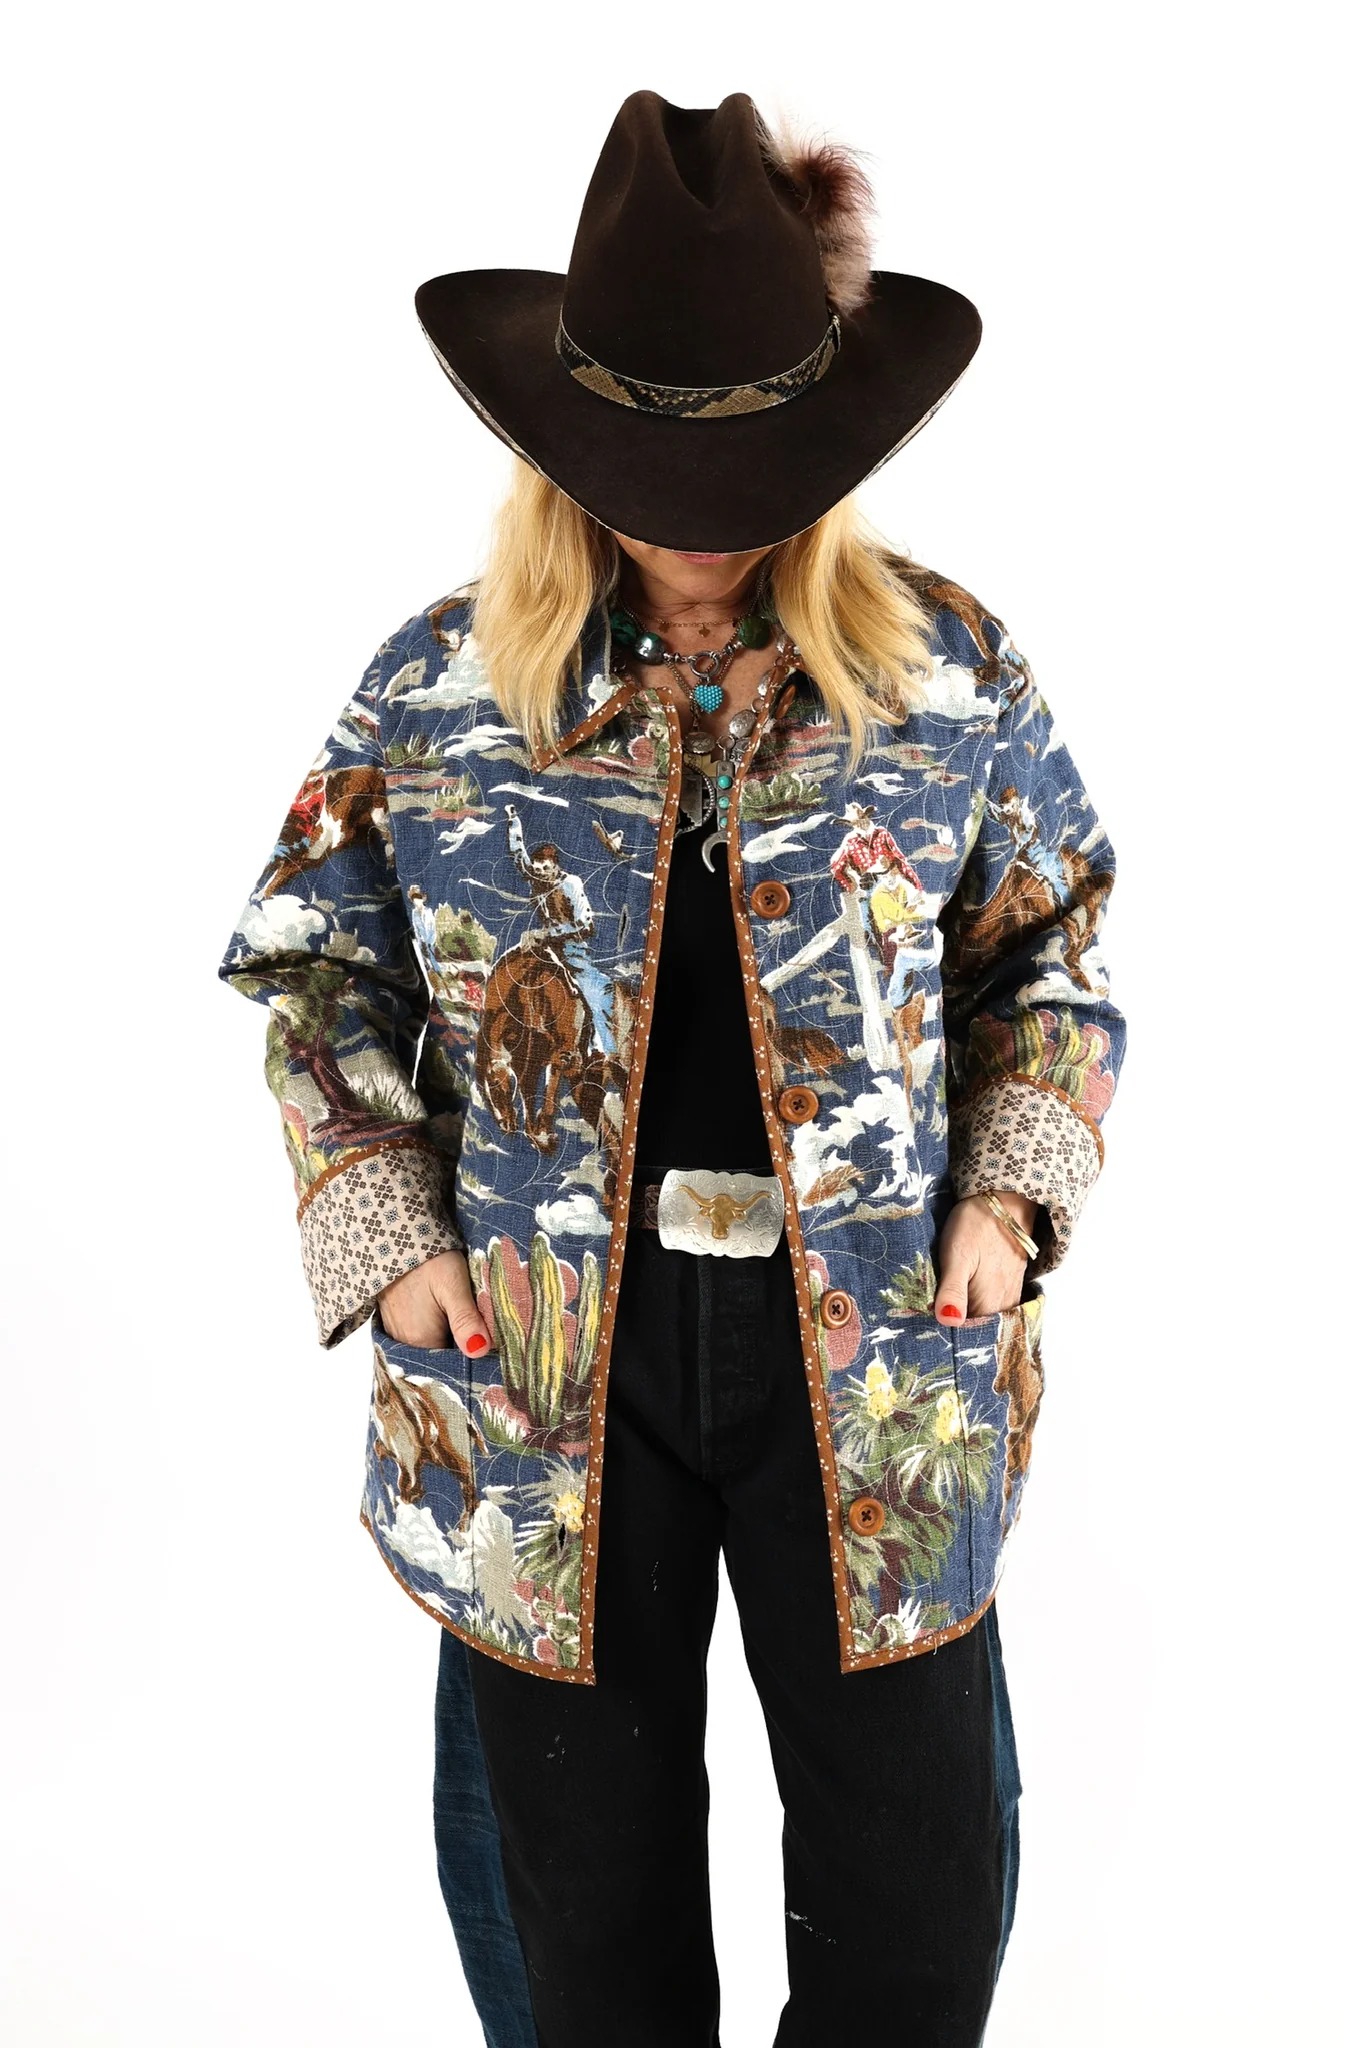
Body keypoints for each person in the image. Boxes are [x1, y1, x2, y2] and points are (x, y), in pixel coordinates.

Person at [218, 89, 1126, 2048]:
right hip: (543, 1359)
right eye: (651, 474)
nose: (702, 528)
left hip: (875, 1356)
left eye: (747, 477)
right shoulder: (440, 689)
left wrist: (1006, 1195)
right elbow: (314, 972)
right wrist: (387, 1235)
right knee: (582, 1922)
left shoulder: (948, 675)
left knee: (914, 1906)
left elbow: (1050, 957)